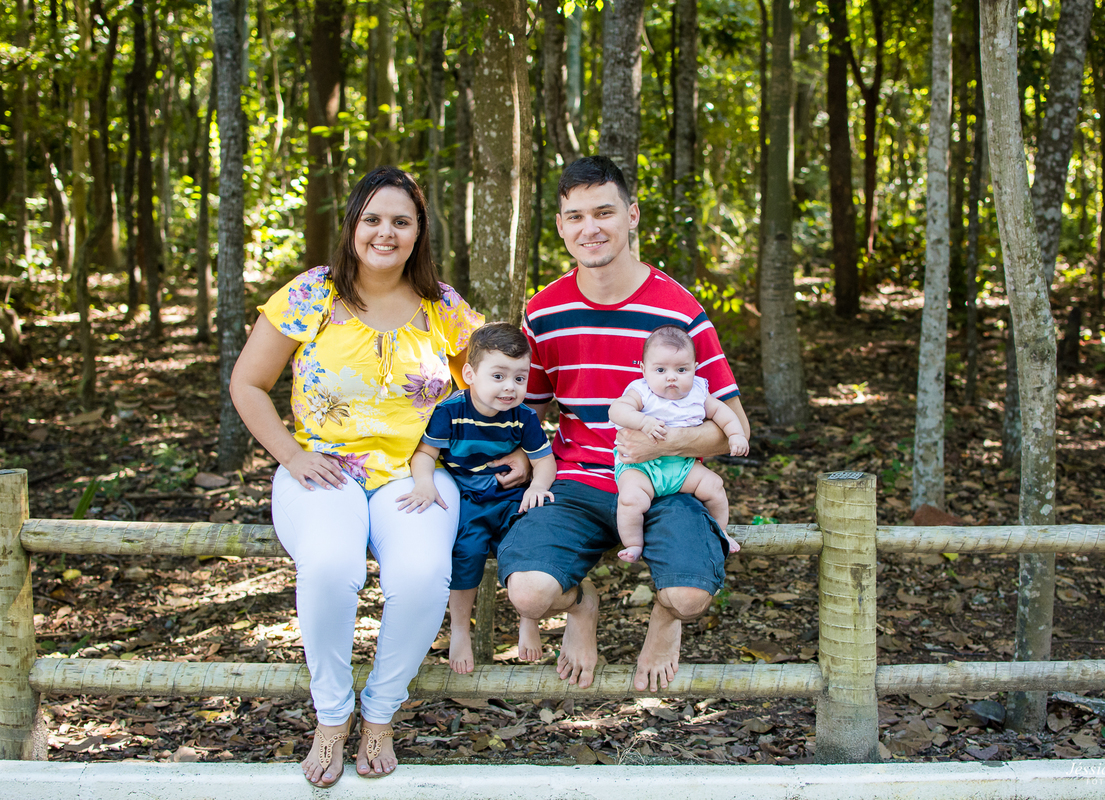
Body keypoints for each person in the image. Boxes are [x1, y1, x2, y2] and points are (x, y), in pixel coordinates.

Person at [229, 166, 481, 787]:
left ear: (419, 231)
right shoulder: (311, 292)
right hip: (322, 469)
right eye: (373, 218)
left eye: (401, 220)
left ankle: (381, 712)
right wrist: (290, 456)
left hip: (415, 473)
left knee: (422, 576)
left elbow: (498, 380)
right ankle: (333, 715)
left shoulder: (442, 306)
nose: (385, 233)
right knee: (332, 568)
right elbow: (248, 383)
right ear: (352, 226)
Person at [496, 156, 752, 693]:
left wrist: (669, 442)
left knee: (688, 597)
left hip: (669, 484)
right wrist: (522, 454)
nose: (590, 228)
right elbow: (529, 410)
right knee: (529, 593)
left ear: (632, 215)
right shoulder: (544, 312)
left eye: (604, 212)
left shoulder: (679, 311)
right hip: (576, 482)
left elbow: (734, 424)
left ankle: (664, 620)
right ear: (562, 226)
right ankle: (582, 605)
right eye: (575, 216)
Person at [398, 321, 557, 674]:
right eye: (498, 376)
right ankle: (459, 629)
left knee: (523, 546)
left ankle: (528, 619)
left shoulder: (523, 418)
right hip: (468, 497)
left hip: (511, 496)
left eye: (519, 378)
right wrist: (424, 482)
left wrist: (537, 487)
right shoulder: (449, 412)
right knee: (467, 552)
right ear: (470, 373)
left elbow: (544, 461)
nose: (509, 388)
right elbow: (424, 454)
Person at [608, 324, 749, 563]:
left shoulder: (698, 392)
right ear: (644, 370)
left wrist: (735, 434)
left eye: (681, 369)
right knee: (631, 499)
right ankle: (633, 543)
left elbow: (723, 413)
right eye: (660, 369)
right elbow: (616, 410)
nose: (671, 377)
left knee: (714, 485)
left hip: (682, 466)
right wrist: (643, 422)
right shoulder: (641, 392)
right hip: (641, 467)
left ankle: (721, 531)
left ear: (694, 368)